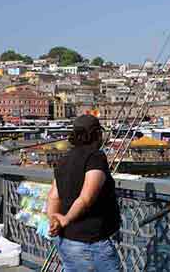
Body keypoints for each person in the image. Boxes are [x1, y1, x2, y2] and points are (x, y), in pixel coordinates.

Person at [47, 115, 121, 272]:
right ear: (96, 134)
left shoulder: (64, 160)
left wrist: (53, 219)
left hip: (66, 241)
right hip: (91, 243)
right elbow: (86, 198)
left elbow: (53, 196)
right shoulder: (95, 158)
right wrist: (66, 219)